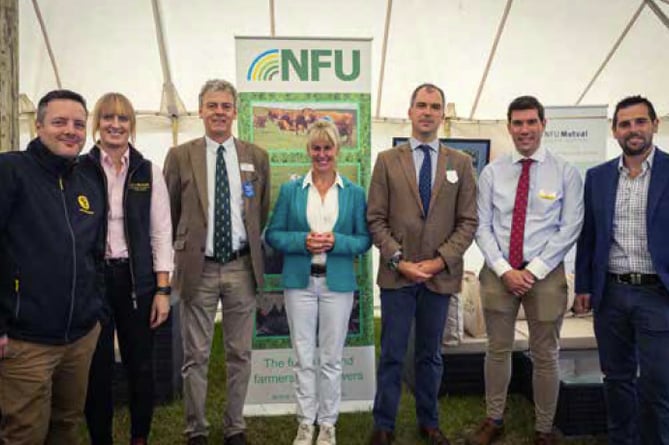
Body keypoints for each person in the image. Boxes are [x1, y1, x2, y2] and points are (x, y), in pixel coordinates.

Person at [367, 83, 478, 445]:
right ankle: (384, 424)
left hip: (439, 277)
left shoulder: (461, 163)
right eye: (421, 105)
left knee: (430, 355)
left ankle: (429, 422)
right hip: (397, 276)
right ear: (410, 111)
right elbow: (375, 219)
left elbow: (468, 222)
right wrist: (399, 261)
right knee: (393, 354)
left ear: (442, 115)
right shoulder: (387, 160)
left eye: (434, 106)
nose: (427, 112)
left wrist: (437, 262)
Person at [470, 95, 583, 445]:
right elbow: (481, 225)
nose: (524, 130)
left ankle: (544, 428)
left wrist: (532, 271)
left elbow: (570, 226)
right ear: (509, 127)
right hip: (499, 273)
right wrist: (505, 270)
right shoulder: (492, 172)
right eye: (517, 123)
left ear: (543, 124)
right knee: (497, 350)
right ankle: (494, 418)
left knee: (546, 353)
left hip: (545, 275)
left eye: (531, 122)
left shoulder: (565, 172)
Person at [163, 79, 270, 445]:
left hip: (242, 267)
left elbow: (260, 211)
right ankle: (196, 430)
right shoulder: (180, 156)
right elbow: (171, 211)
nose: (219, 112)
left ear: (235, 112)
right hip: (199, 268)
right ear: (201, 110)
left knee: (240, 353)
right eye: (212, 105)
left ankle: (234, 427)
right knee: (196, 355)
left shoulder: (256, 157)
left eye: (226, 106)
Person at [0, 89, 106, 444]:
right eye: (59, 122)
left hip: (80, 337)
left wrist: (96, 313)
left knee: (66, 426)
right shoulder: (10, 170)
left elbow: (95, 253)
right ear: (38, 125)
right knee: (25, 432)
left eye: (78, 124)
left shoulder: (89, 181)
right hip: (25, 340)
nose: (70, 131)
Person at [265, 120, 371, 445]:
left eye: (327, 148)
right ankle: (304, 423)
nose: (322, 154)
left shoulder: (353, 193)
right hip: (300, 284)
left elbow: (364, 240)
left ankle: (327, 425)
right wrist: (303, 241)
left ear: (337, 150)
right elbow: (273, 234)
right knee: (302, 356)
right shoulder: (291, 191)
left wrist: (337, 241)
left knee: (331, 358)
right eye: (316, 148)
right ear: (308, 150)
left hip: (337, 285)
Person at [575, 95, 669, 444]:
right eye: (625, 124)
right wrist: (584, 286)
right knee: (616, 379)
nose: (633, 130)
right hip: (611, 293)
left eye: (640, 122)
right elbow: (589, 237)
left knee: (658, 383)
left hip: (657, 294)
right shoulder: (597, 178)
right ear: (614, 131)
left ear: (654, 124)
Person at [82, 92, 173, 445]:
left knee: (141, 366)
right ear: (97, 124)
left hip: (138, 282)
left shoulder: (148, 171)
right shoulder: (81, 167)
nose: (115, 125)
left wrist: (163, 291)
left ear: (132, 126)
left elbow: (161, 232)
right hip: (94, 281)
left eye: (122, 119)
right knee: (97, 368)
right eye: (108, 117)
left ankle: (139, 438)